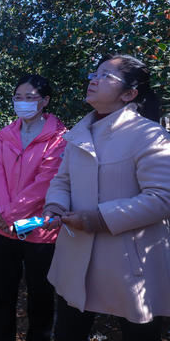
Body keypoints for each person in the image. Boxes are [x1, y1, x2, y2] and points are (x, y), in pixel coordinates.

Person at [42, 54, 170, 340]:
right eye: (94, 74)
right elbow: (62, 180)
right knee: (68, 331)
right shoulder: (79, 133)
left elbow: (162, 198)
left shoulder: (149, 136)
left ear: (129, 93)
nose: (94, 80)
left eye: (105, 76)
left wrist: (97, 219)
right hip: (76, 254)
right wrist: (54, 205)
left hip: (128, 259)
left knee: (139, 334)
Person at [0, 75, 67, 341]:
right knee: (3, 295)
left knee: (40, 295)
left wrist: (10, 215)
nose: (22, 103)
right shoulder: (7, 135)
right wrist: (3, 212)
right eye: (18, 97)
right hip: (3, 229)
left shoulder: (58, 139)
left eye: (30, 97)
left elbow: (45, 183)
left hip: (39, 229)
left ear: (44, 101)